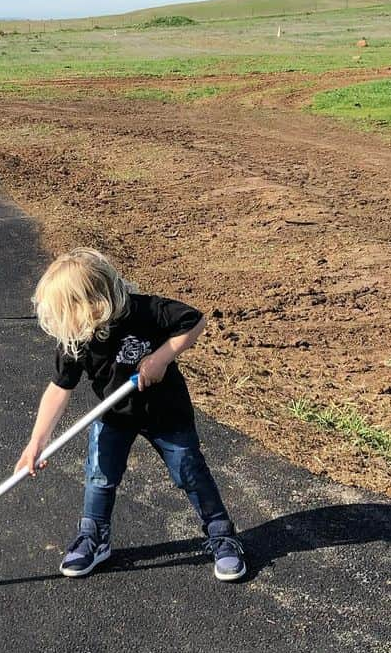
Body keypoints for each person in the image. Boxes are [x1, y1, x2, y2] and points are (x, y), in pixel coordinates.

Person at [14, 248, 247, 582]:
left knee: (188, 471)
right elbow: (59, 388)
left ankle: (221, 534)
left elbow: (194, 320)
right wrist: (36, 442)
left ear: (93, 302)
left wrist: (161, 358)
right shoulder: (77, 336)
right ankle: (94, 537)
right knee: (100, 474)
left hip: (165, 412)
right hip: (114, 414)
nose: (66, 324)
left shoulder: (145, 311)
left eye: (68, 312)